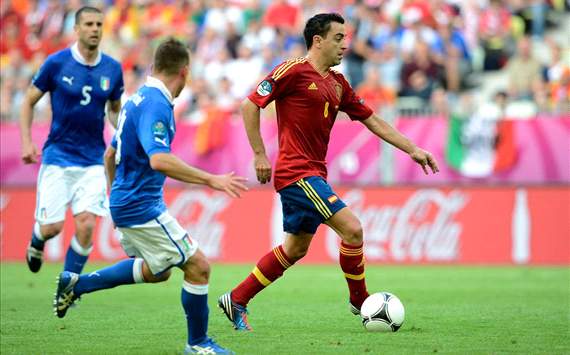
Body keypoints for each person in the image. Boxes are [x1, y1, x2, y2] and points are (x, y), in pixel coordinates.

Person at [217, 13, 439, 331]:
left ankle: (237, 298)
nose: (345, 45)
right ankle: (360, 300)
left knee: (295, 249)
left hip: (313, 174)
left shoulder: (338, 84)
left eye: (346, 38)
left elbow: (372, 120)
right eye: (338, 38)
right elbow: (250, 105)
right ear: (317, 41)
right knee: (353, 230)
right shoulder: (292, 71)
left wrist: (413, 149)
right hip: (297, 173)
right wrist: (259, 154)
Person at [53, 38, 246, 355]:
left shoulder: (136, 99)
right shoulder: (156, 103)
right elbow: (159, 159)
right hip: (140, 205)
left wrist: (116, 197)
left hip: (129, 200)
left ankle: (77, 284)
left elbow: (109, 155)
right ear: (184, 72)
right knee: (198, 266)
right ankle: (198, 344)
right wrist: (211, 178)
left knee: (159, 270)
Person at [20, 6, 124, 275]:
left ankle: (68, 284)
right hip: (58, 155)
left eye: (99, 25)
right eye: (89, 24)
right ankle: (37, 239)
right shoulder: (56, 63)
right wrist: (27, 142)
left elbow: (114, 109)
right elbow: (28, 102)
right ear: (76, 29)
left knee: (87, 224)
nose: (95, 29)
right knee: (51, 228)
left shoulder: (112, 69)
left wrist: (123, 133)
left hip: (92, 159)